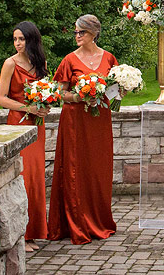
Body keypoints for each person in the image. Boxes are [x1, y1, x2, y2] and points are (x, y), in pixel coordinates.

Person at [47, 14, 119, 244]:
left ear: (94, 34)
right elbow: (59, 94)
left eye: (82, 32)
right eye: (76, 32)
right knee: (75, 169)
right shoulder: (69, 60)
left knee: (98, 169)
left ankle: (100, 219)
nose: (77, 36)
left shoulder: (108, 58)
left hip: (99, 123)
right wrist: (80, 97)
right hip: (75, 122)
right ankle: (76, 222)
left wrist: (119, 92)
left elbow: (115, 91)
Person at [0, 21, 52, 253]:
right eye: (15, 39)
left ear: (32, 40)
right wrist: (27, 108)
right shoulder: (10, 63)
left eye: (22, 39)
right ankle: (22, 234)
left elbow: (48, 92)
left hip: (37, 125)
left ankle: (34, 232)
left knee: (37, 177)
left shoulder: (41, 63)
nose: (18, 43)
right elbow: (0, 98)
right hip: (18, 124)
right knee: (24, 176)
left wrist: (46, 106)